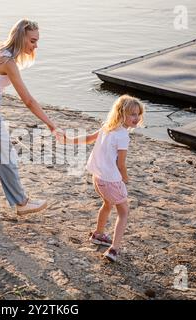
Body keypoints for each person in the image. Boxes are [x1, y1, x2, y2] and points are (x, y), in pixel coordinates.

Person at [0, 18, 64, 215]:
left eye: (37, 41)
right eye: (32, 40)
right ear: (20, 38)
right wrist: (51, 125)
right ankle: (21, 202)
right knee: (4, 155)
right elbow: (29, 101)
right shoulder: (8, 62)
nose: (36, 45)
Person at [65, 95, 145, 262]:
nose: (136, 118)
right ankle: (113, 249)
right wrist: (125, 179)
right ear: (121, 114)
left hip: (98, 178)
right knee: (123, 212)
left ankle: (98, 234)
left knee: (107, 204)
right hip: (110, 180)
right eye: (132, 114)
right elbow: (121, 164)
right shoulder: (123, 136)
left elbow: (87, 139)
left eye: (138, 114)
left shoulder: (107, 128)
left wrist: (69, 140)